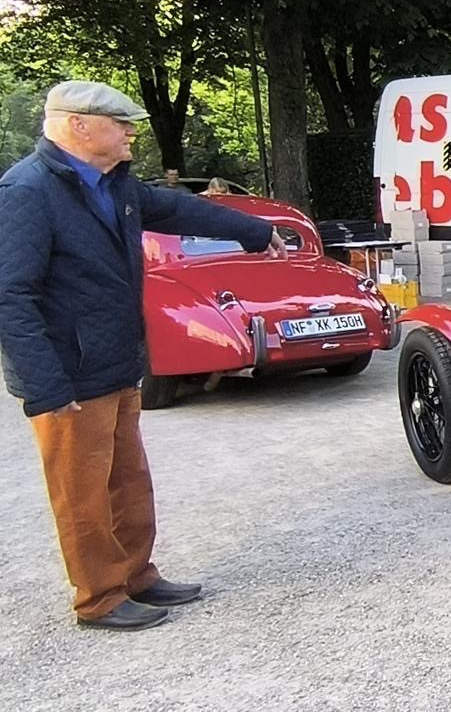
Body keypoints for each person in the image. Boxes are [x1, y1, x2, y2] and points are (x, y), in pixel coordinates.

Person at [0, 81, 286, 632]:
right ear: (77, 125)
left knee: (128, 481)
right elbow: (11, 297)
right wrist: (45, 388)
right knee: (81, 493)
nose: (132, 131)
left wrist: (256, 231)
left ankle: (136, 575)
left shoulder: (115, 183)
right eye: (120, 122)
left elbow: (179, 210)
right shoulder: (26, 192)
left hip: (116, 362)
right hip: (69, 375)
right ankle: (100, 598)